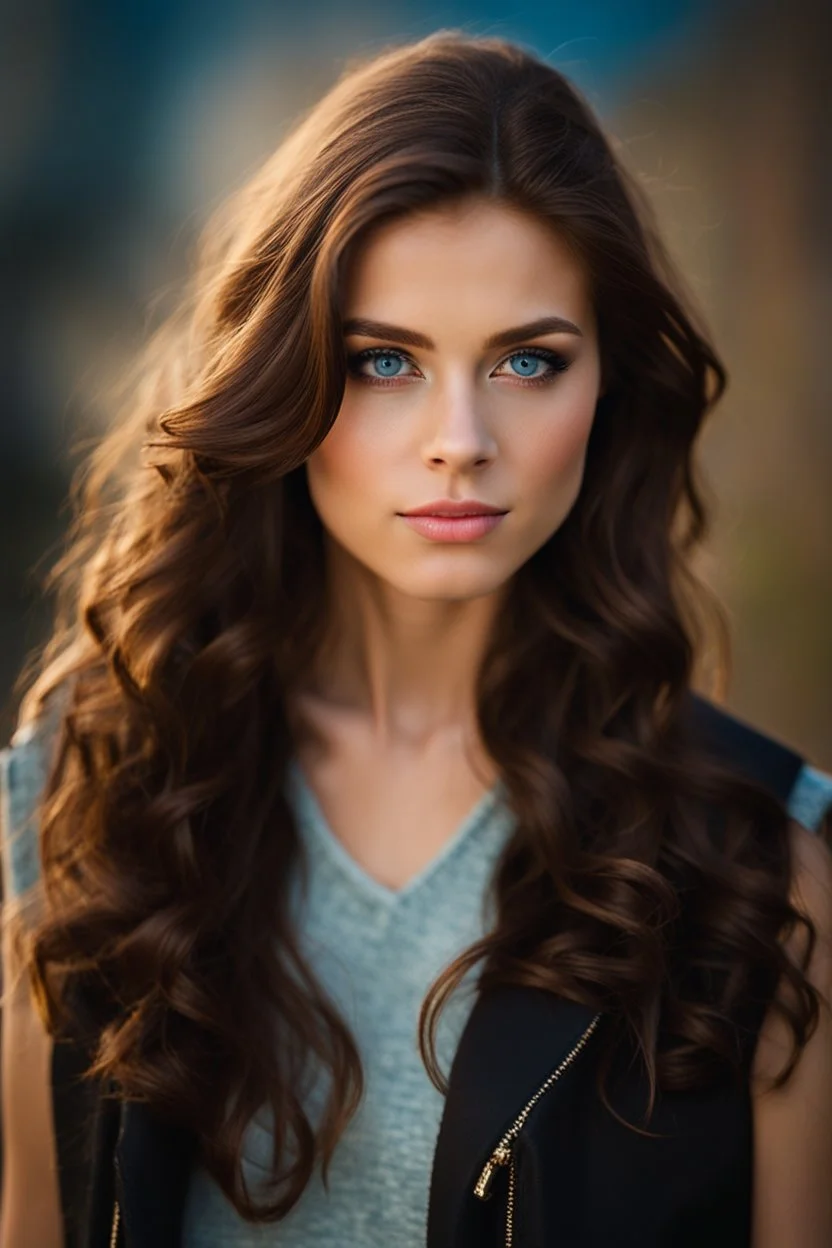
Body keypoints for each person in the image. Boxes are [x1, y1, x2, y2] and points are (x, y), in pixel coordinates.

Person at [1, 29, 831, 1248]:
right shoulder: (90, 792)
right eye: (385, 361)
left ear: (609, 390)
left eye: (528, 361)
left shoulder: (767, 865)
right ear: (283, 377)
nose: (460, 437)